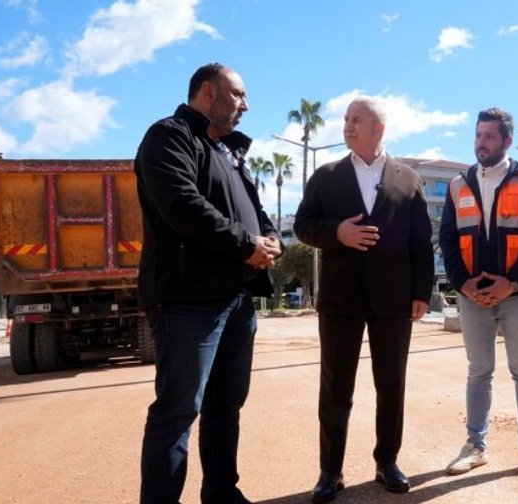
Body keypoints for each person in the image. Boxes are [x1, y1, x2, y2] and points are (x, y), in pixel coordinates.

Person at [135, 63, 282, 504]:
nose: (246, 105)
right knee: (178, 412)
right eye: (238, 94)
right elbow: (182, 205)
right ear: (207, 91)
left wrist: (271, 239)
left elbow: (256, 215)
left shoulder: (229, 153)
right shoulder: (170, 136)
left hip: (237, 301)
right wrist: (246, 245)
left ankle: (222, 493)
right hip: (187, 301)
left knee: (225, 408)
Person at [293, 97, 434, 503]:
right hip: (340, 300)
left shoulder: (407, 179)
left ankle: (386, 461)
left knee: (392, 385)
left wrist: (421, 293)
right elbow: (303, 226)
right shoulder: (326, 176)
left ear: (379, 128)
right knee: (336, 388)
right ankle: (330, 471)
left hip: (393, 301)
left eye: (357, 120)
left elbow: (420, 242)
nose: (347, 126)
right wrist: (337, 232)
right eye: (346, 119)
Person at [438, 108, 518, 480]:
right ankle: (475, 446)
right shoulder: (459, 185)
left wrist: (513, 282)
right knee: (479, 371)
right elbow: (448, 239)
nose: (480, 143)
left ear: (506, 140)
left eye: (489, 136)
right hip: (472, 297)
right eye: (477, 135)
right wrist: (462, 283)